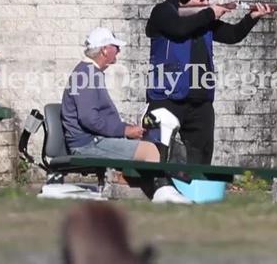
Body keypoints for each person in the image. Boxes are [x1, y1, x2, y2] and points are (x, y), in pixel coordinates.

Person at [145, 0, 274, 165]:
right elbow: (179, 28)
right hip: (167, 96)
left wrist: (251, 18)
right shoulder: (163, 11)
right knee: (157, 155)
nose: (206, 2)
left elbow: (232, 35)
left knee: (200, 160)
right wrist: (211, 13)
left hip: (200, 99)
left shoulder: (203, 18)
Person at [61, 27, 190, 203]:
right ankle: (163, 197)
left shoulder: (90, 72)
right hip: (87, 144)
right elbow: (89, 119)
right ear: (105, 50)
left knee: (152, 145)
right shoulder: (85, 75)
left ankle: (152, 191)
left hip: (94, 139)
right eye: (115, 47)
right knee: (149, 151)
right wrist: (125, 131)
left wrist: (127, 130)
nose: (119, 51)